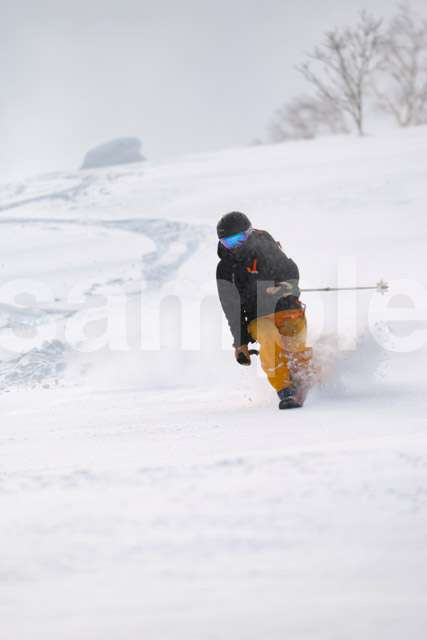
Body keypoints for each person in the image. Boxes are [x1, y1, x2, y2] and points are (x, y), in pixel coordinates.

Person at [216, 211, 314, 409]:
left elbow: (290, 269)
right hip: (257, 316)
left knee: (293, 334)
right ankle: (285, 389)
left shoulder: (266, 249)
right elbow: (231, 309)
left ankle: (306, 378)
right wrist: (240, 343)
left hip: (286, 307)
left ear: (248, 234)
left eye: (238, 239)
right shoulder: (225, 269)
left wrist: (286, 286)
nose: (234, 247)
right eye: (228, 242)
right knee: (269, 336)